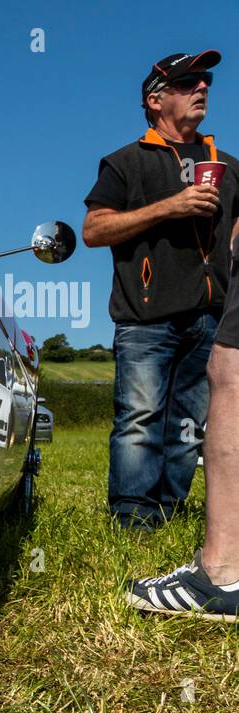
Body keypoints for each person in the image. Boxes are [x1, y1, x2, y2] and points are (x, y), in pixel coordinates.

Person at [83, 51, 239, 532]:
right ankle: (132, 517)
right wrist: (171, 206)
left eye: (205, 81)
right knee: (140, 417)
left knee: (189, 423)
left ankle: (167, 512)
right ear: (155, 100)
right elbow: (94, 229)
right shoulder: (125, 163)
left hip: (212, 315)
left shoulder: (228, 165)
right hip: (144, 317)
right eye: (188, 82)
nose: (202, 88)